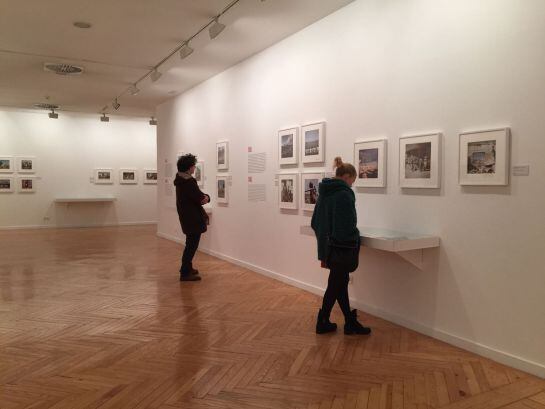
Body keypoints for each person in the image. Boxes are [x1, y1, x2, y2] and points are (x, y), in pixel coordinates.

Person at [311, 157, 371, 335]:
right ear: (346, 176)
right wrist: (355, 237)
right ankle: (325, 321)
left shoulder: (325, 191)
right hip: (341, 247)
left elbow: (315, 221)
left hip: (328, 246)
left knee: (339, 282)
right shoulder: (344, 193)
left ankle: (347, 321)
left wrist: (324, 238)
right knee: (337, 283)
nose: (352, 184)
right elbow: (347, 225)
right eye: (353, 180)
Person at [174, 154, 210, 282]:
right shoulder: (188, 182)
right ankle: (185, 272)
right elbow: (200, 198)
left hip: (187, 216)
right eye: (194, 165)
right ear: (189, 168)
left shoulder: (180, 180)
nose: (195, 168)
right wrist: (207, 197)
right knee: (191, 245)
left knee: (190, 243)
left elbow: (195, 196)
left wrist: (203, 197)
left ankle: (187, 267)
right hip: (192, 217)